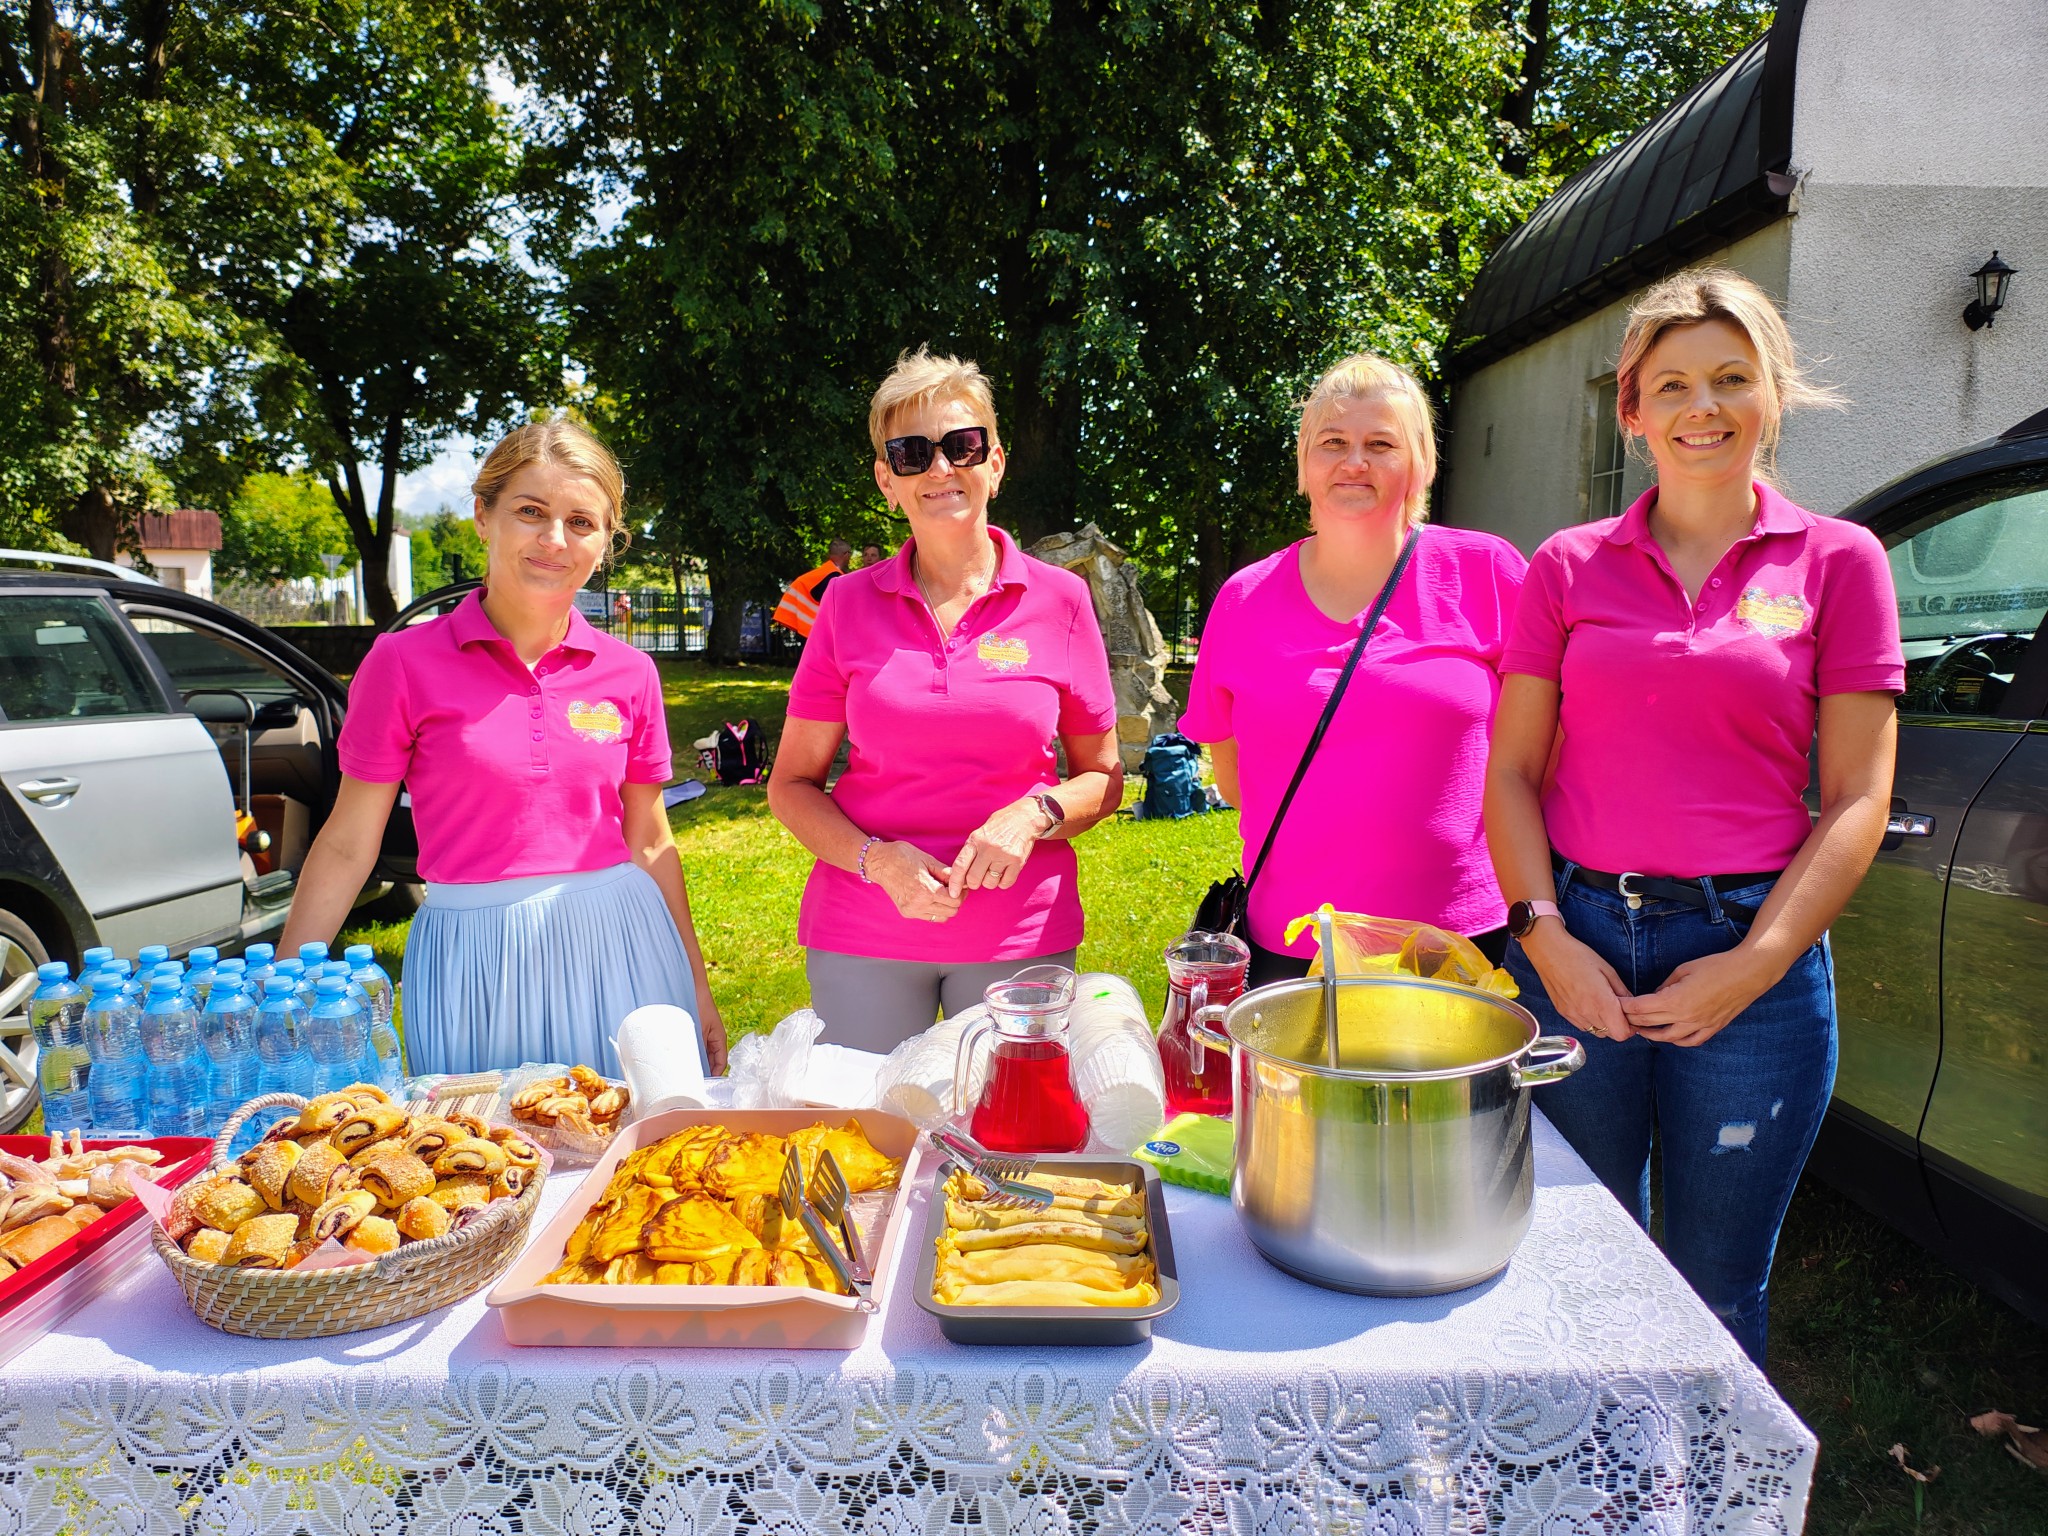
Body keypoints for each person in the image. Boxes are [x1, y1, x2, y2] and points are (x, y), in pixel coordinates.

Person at [1484, 267, 1902, 1367]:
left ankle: (1699, 1472)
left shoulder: (1838, 563)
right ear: (1631, 410)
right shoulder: (1567, 566)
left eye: (1730, 378)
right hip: (1577, 941)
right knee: (1578, 1264)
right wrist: (1544, 940)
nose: (1701, 407)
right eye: (1670, 385)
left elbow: (1857, 798)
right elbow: (1511, 773)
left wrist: (1754, 966)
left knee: (1715, 1291)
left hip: (1751, 951)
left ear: (1773, 396)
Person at [280, 418, 729, 1078]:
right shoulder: (401, 663)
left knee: (637, 1137)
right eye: (531, 512)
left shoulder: (631, 672)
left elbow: (651, 839)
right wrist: (287, 989)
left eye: (581, 522)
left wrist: (696, 984)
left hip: (624, 948)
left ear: (606, 542)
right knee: (482, 1142)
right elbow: (349, 843)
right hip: (475, 964)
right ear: (483, 517)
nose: (555, 539)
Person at [766, 347, 1124, 1051]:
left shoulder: (1062, 600)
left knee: (1008, 1118)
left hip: (1019, 934)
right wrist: (877, 861)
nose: (939, 468)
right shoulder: (845, 604)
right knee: (865, 1114)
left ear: (995, 462)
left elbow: (1103, 777)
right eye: (912, 453)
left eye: (962, 446)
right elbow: (792, 785)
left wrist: (1035, 813)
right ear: (887, 480)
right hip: (865, 927)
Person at [1180, 353, 1528, 987]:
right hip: (1296, 941)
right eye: (1333, 442)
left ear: (1421, 463)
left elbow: (1544, 751)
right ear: (1304, 464)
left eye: (1381, 444)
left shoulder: (1488, 572)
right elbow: (1234, 778)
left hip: (1461, 939)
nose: (1354, 462)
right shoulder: (1243, 600)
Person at [771, 541, 851, 640]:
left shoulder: (822, 573)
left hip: (805, 626)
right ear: (846, 555)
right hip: (815, 631)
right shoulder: (835, 577)